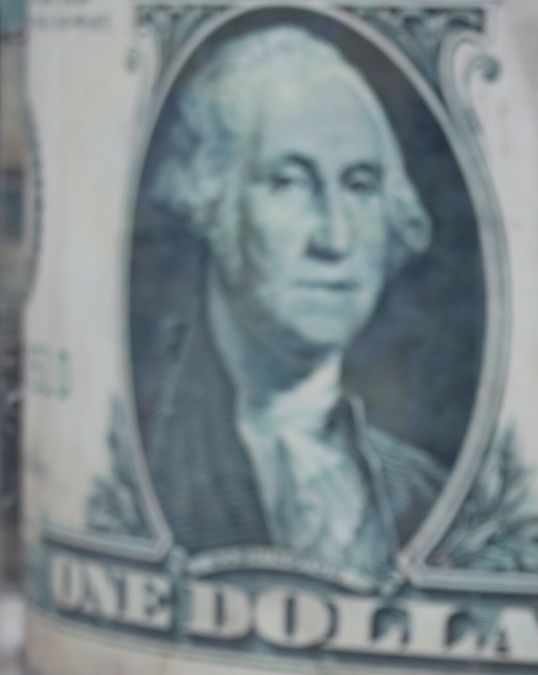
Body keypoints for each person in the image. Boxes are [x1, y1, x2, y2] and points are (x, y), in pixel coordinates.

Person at [137, 25, 446, 575]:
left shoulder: (423, 492)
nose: (334, 238)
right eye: (288, 182)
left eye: (359, 185)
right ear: (212, 202)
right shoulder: (147, 463)